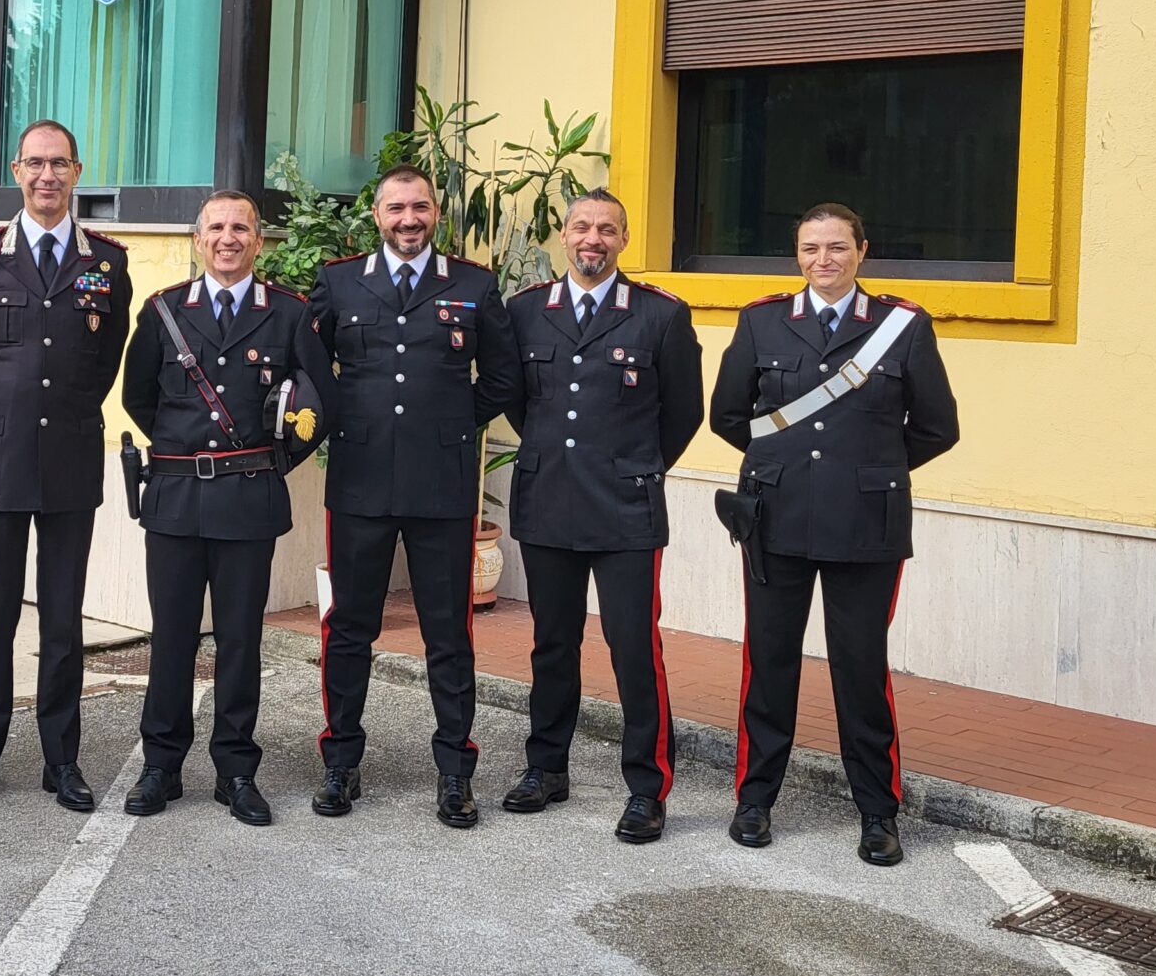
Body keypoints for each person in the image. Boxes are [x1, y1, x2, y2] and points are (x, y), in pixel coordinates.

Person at [709, 201, 959, 866]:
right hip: (776, 517)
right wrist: (784, 465)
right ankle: (754, 800)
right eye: (811, 248)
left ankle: (878, 812)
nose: (824, 259)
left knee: (860, 668)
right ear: (797, 255)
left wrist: (870, 470)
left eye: (838, 247)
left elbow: (938, 427)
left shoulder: (902, 326)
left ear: (861, 251)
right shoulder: (762, 321)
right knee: (769, 664)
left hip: (865, 523)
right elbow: (728, 415)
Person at [306, 164, 518, 826]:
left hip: (441, 484)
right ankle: (341, 762)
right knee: (349, 628)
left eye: (419, 207)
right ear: (377, 215)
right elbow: (309, 368)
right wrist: (341, 419)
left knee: (448, 634)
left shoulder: (474, 284)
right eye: (396, 208)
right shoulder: (340, 281)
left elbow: (503, 377)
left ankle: (455, 772)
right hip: (361, 480)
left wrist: (450, 423)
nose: (408, 219)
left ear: (436, 212)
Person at [0, 118, 132, 811]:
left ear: (77, 172)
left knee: (62, 621)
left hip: (70, 461)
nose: (48, 175)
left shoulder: (106, 262)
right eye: (35, 163)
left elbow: (104, 361)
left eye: (60, 164)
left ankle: (61, 760)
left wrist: (60, 416)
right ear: (17, 172)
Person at [117, 191, 329, 826]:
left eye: (241, 227)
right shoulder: (164, 311)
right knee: (172, 638)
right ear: (198, 239)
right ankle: (161, 765)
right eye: (216, 227)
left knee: (240, 640)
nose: (228, 238)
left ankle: (236, 770)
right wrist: (187, 454)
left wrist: (267, 462)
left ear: (259, 241)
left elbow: (321, 402)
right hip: (177, 499)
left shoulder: (289, 313)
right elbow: (139, 398)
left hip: (247, 500)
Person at [501, 189, 703, 843]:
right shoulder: (525, 310)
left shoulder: (660, 314)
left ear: (623, 239)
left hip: (625, 507)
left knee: (634, 648)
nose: (594, 238)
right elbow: (517, 401)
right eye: (583, 226)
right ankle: (545, 767)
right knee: (551, 644)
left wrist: (633, 462)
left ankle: (647, 787)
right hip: (548, 500)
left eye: (607, 229)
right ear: (564, 235)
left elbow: (684, 413)